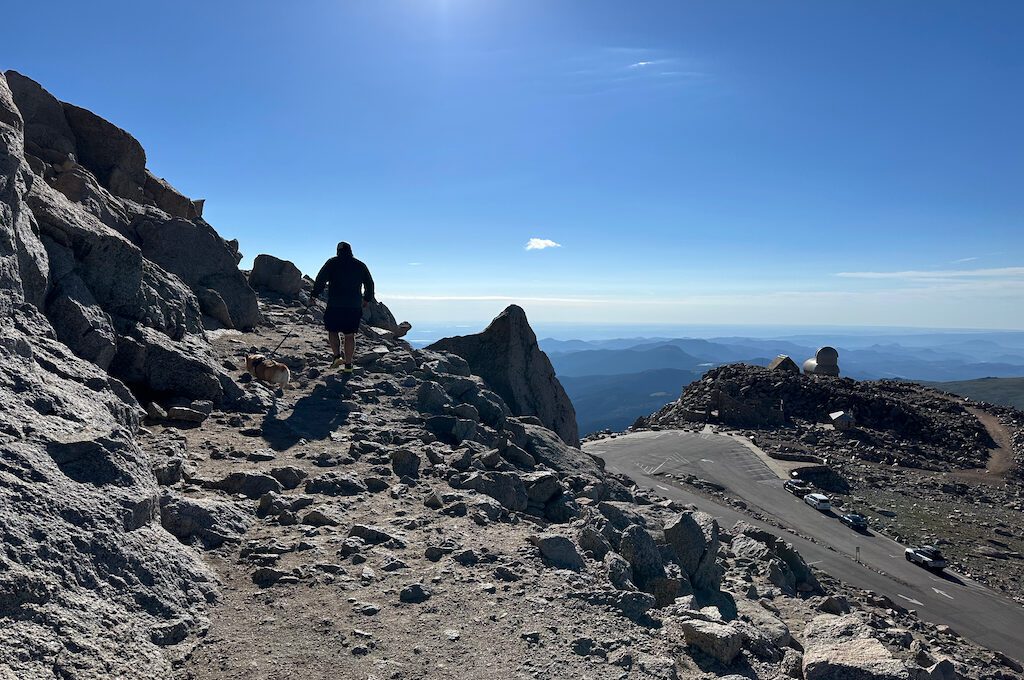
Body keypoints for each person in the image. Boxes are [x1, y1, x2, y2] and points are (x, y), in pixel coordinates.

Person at [310, 241, 375, 372]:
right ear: (351, 251)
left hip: (335, 304)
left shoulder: (332, 263)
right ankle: (349, 365)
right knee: (350, 335)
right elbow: (370, 283)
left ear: (338, 251)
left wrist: (314, 295)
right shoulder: (360, 265)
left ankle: (337, 356)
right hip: (353, 306)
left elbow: (320, 279)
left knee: (333, 331)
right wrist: (367, 299)